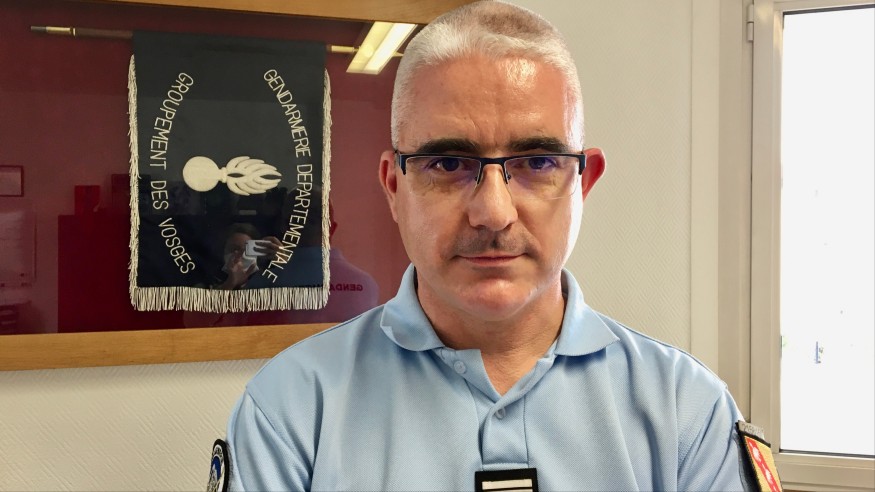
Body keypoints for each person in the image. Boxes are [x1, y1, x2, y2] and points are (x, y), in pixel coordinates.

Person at [217, 2, 763, 491]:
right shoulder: (290, 412)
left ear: (583, 182)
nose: (494, 213)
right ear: (394, 186)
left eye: (538, 162)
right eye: (449, 163)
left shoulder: (687, 412)